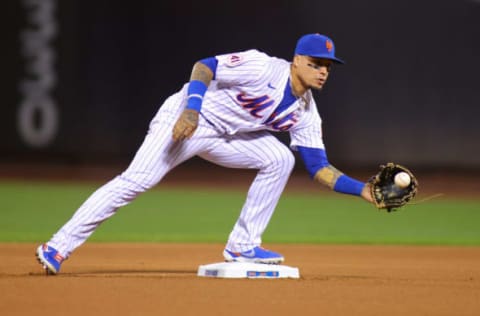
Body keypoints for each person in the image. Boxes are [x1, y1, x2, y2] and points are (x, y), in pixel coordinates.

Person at [36, 33, 374, 274]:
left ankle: (242, 245)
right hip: (186, 118)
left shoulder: (306, 113)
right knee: (136, 181)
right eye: (317, 63)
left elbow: (318, 168)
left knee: (281, 158)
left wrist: (364, 190)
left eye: (328, 66)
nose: (323, 71)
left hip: (225, 137)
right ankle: (57, 246)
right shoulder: (261, 67)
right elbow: (204, 66)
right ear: (297, 60)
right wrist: (191, 110)